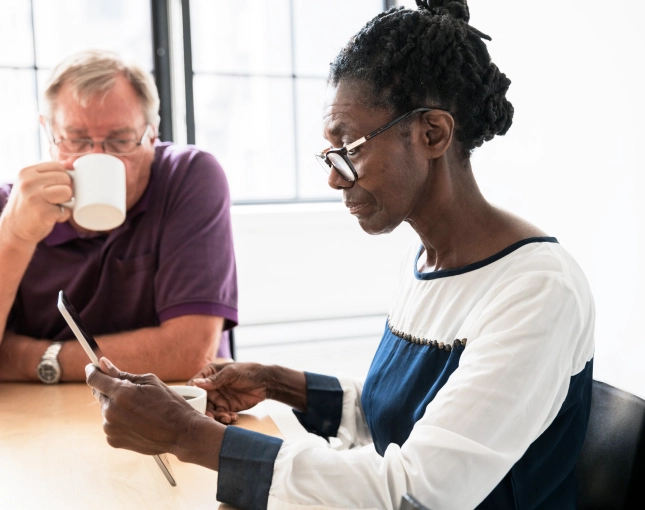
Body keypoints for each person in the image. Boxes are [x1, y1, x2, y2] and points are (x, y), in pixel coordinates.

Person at [85, 1, 595, 508]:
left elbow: (417, 492)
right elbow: (394, 419)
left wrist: (188, 436)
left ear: (432, 134)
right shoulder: (427, 263)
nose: (334, 176)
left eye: (349, 147)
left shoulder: (536, 289)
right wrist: (275, 382)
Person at [0, 50, 237, 383]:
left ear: (152, 134)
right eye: (77, 140)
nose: (96, 157)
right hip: (39, 419)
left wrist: (30, 360)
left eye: (120, 140)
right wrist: (15, 237)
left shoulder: (188, 177)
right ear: (49, 134)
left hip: (174, 412)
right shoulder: (11, 207)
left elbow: (190, 353)